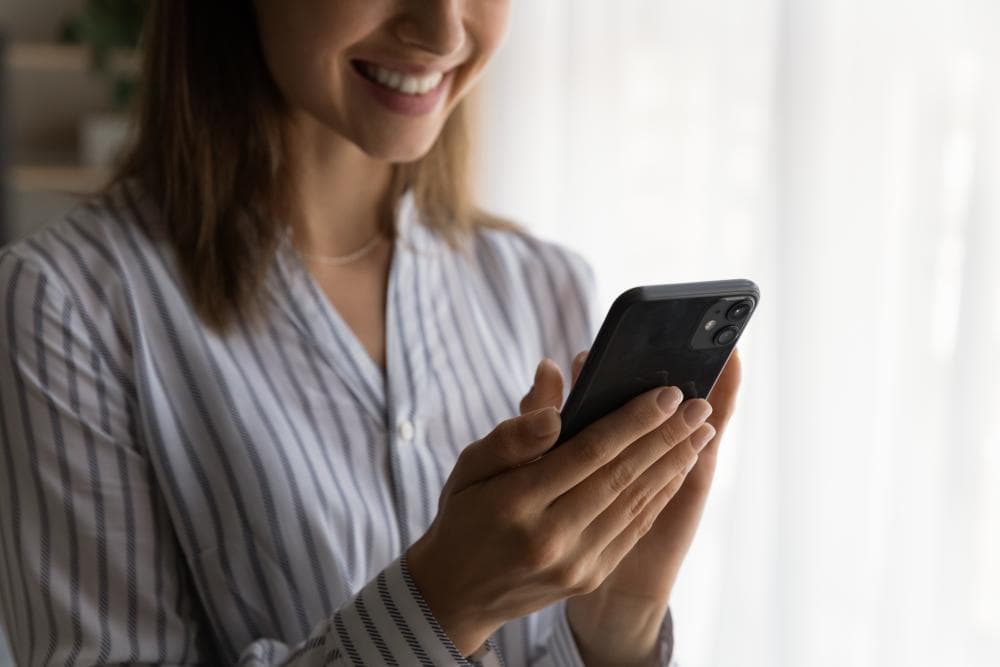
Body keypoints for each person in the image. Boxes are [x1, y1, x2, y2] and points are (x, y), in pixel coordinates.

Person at [0, 1, 741, 665]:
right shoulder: (66, 305)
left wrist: (614, 631)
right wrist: (442, 605)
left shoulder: (546, 286)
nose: (444, 30)